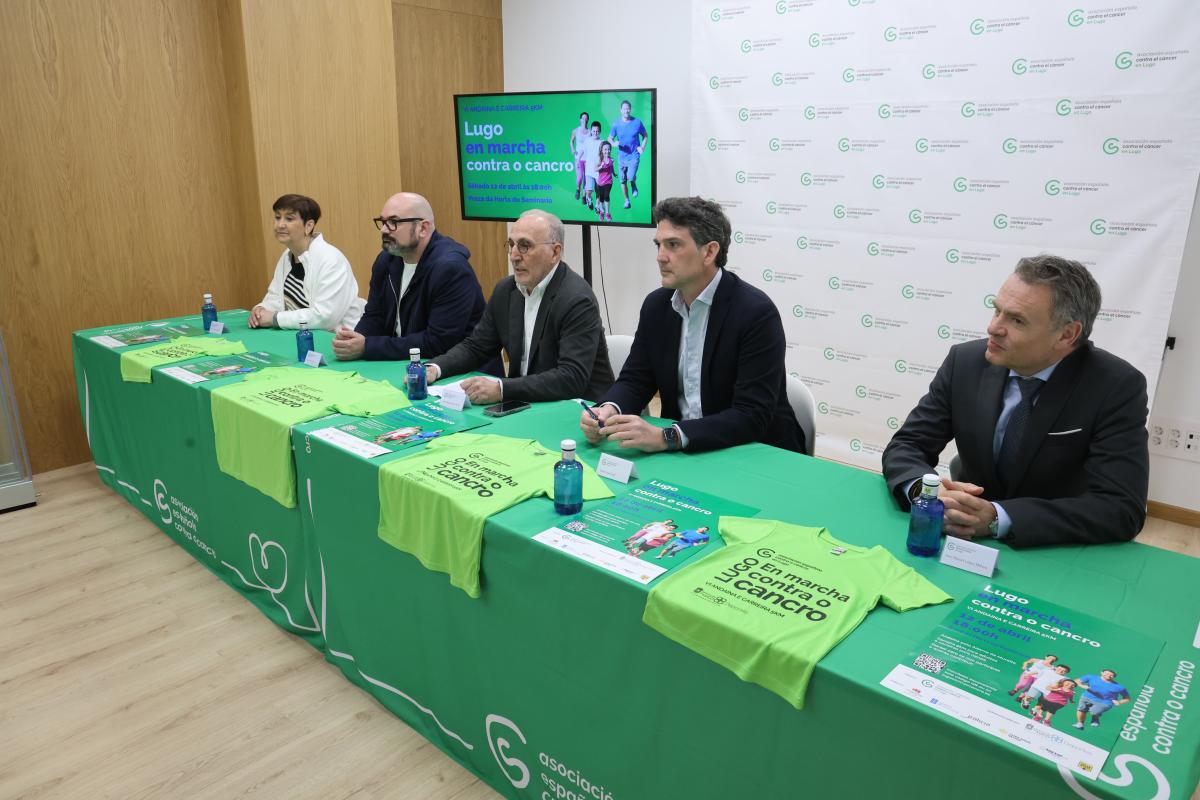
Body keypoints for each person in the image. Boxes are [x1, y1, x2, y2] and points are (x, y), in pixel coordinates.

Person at [882, 255, 1149, 547]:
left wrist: (998, 517)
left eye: (1017, 320)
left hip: (1051, 547)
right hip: (959, 535)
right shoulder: (965, 362)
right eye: (997, 310)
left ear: (1066, 335)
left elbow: (1121, 507)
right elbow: (908, 444)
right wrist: (927, 494)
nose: (993, 328)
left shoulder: (1115, 387)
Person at [579, 197, 805, 455]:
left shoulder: (756, 313)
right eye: (658, 245)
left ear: (709, 252)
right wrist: (607, 410)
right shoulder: (656, 306)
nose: (660, 257)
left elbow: (751, 414)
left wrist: (668, 436)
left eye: (673, 245)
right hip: (685, 451)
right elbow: (636, 379)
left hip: (754, 452)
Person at [425, 209, 614, 404]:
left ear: (555, 252)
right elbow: (477, 347)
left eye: (525, 246)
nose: (514, 256)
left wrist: (501, 389)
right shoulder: (506, 290)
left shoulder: (576, 299)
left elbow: (571, 378)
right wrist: (435, 368)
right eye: (511, 245)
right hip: (523, 403)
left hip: (580, 409)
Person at [331, 192, 486, 362]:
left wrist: (367, 347)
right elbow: (375, 316)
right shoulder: (386, 261)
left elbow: (438, 342)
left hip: (459, 368)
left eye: (393, 222)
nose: (384, 229)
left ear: (423, 228)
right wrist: (353, 341)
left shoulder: (451, 269)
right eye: (382, 221)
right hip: (405, 358)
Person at [249, 194, 364, 331]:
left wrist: (275, 318)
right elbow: (275, 298)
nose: (280, 225)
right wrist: (261, 309)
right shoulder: (287, 255)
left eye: (289, 219)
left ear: (308, 226)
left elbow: (324, 318)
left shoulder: (331, 260)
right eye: (278, 217)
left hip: (337, 337)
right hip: (302, 333)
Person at [608, 100, 649, 210]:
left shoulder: (637, 122)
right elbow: (610, 138)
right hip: (621, 156)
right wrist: (614, 143)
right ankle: (627, 200)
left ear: (630, 109)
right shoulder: (616, 124)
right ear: (621, 110)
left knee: (630, 176)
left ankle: (633, 183)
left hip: (634, 154)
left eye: (628, 108)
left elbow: (645, 135)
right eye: (624, 109)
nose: (626, 110)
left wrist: (642, 147)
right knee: (622, 180)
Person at [569, 112, 591, 200]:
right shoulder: (576, 130)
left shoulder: (590, 132)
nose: (584, 120)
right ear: (580, 119)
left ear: (588, 120)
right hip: (578, 157)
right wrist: (572, 149)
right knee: (579, 177)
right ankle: (578, 189)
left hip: (588, 158)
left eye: (586, 118)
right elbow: (571, 141)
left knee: (586, 178)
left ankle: (584, 196)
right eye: (583, 118)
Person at [595, 141, 615, 222]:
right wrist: (601, 166)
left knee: (607, 196)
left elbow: (611, 168)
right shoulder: (599, 159)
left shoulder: (611, 160)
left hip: (609, 182)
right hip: (600, 183)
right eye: (605, 149)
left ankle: (607, 213)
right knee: (601, 198)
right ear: (602, 150)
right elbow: (595, 169)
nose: (607, 151)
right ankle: (602, 212)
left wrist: (614, 173)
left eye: (609, 149)